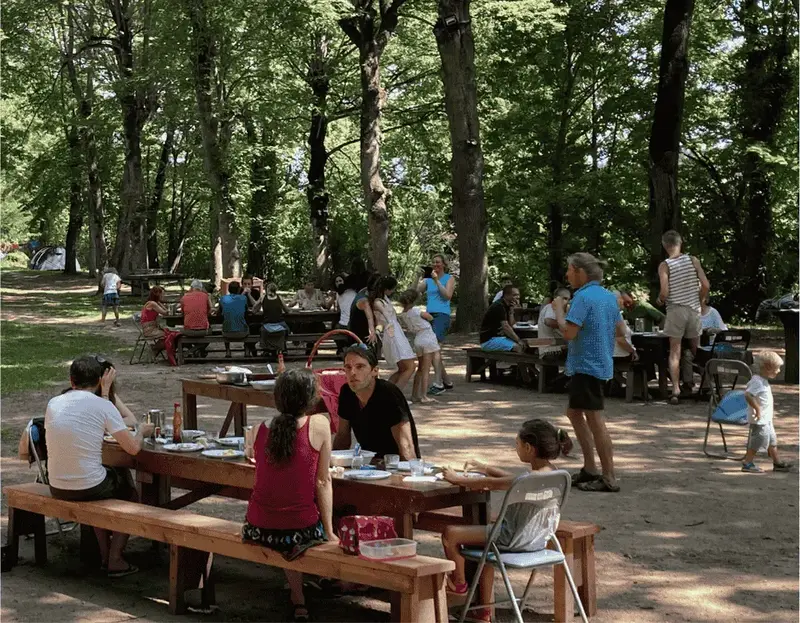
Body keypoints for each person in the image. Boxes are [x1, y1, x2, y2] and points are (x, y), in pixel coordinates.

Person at [440, 419, 573, 623]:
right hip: (538, 540)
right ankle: (482, 611)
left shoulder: (528, 480)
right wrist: (486, 467)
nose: (515, 448)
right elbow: (511, 479)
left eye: (517, 444)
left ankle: (458, 583)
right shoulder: (555, 475)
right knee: (484, 555)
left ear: (529, 448)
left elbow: (491, 484)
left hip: (510, 539)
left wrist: (455, 478)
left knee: (451, 533)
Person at [45, 356, 154, 577]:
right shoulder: (102, 405)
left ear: (71, 380)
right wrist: (142, 431)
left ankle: (105, 556)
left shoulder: (54, 403)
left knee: (103, 484)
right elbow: (133, 449)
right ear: (98, 380)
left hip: (56, 485)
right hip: (88, 487)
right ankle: (114, 559)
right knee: (130, 495)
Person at [242, 369, 335, 622]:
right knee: (302, 528)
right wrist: (329, 530)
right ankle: (325, 586)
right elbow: (323, 480)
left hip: (257, 526)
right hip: (299, 529)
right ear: (312, 398)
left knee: (285, 521)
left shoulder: (262, 428)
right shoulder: (319, 425)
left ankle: (298, 597)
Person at [552, 252, 626, 493]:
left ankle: (609, 477)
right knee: (574, 413)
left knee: (595, 420)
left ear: (580, 272)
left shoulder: (582, 298)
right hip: (601, 363)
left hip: (587, 366)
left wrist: (559, 310)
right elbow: (620, 330)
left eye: (569, 270)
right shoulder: (609, 297)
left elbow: (568, 334)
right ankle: (590, 468)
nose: (566, 274)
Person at [334, 345, 420, 459]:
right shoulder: (347, 392)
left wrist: (408, 473)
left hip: (395, 464)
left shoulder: (389, 394)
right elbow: (342, 437)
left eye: (360, 367)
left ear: (374, 371)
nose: (353, 372)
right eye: (348, 367)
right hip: (367, 464)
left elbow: (406, 446)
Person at [656, 230, 710, 405]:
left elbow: (665, 291)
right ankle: (707, 383)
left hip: (676, 310)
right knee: (696, 349)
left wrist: (660, 299)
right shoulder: (693, 261)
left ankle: (676, 390)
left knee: (675, 351)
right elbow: (706, 285)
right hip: (693, 310)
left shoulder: (665, 265)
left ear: (665, 245)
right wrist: (700, 299)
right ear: (681, 243)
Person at [741, 351, 792, 473]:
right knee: (759, 439)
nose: (779, 371)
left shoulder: (763, 380)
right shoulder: (757, 381)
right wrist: (757, 409)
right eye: (777, 368)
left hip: (766, 418)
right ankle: (748, 463)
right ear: (767, 367)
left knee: (772, 440)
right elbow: (748, 395)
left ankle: (777, 462)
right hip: (759, 419)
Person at [416, 254, 455, 393]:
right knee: (433, 348)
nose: (435, 264)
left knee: (434, 348)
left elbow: (447, 296)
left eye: (438, 262)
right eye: (434, 262)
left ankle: (438, 383)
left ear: (444, 264)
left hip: (442, 315)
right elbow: (414, 293)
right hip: (429, 315)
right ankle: (447, 381)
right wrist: (417, 278)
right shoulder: (428, 280)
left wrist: (437, 281)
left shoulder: (449, 279)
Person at [370, 276, 416, 390]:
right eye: (392, 289)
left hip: (396, 331)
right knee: (410, 367)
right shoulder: (378, 302)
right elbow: (383, 316)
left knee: (403, 368)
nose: (393, 291)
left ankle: (387, 393)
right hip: (392, 334)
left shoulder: (385, 299)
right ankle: (396, 395)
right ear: (386, 289)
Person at [398, 289, 443, 403]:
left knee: (420, 368)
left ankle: (415, 395)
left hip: (417, 339)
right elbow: (429, 317)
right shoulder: (416, 310)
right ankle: (424, 396)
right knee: (426, 369)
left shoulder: (404, 314)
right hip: (427, 337)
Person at [479, 284, 524, 353]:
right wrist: (518, 340)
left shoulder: (507, 306)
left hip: (499, 338)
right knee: (519, 347)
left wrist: (511, 311)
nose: (518, 297)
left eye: (518, 295)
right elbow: (506, 327)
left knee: (525, 345)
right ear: (506, 295)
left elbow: (511, 325)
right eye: (515, 295)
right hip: (489, 340)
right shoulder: (499, 306)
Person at [140, 286, 178, 366]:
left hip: (154, 327)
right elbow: (165, 312)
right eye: (162, 295)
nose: (163, 296)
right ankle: (155, 348)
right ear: (157, 294)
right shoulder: (152, 303)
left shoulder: (156, 302)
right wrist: (177, 307)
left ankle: (156, 348)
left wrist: (169, 306)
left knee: (171, 334)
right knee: (170, 336)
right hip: (149, 329)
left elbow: (166, 309)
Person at [176, 280, 213, 357]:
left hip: (188, 331)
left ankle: (194, 350)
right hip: (204, 331)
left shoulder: (184, 297)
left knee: (179, 333)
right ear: (201, 288)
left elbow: (182, 313)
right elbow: (210, 311)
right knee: (212, 332)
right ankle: (199, 350)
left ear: (191, 287)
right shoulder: (205, 296)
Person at [219, 281, 252, 358]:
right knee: (249, 326)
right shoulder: (243, 298)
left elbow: (219, 312)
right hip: (242, 332)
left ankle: (228, 350)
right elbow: (246, 310)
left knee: (226, 324)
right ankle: (247, 350)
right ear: (238, 289)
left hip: (227, 333)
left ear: (229, 289)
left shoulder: (223, 299)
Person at [347, 272, 380, 348]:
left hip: (361, 329)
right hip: (357, 333)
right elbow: (369, 318)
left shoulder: (364, 290)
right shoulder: (364, 300)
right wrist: (372, 333)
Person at [538, 287, 571, 359]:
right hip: (549, 350)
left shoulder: (561, 311)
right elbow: (548, 321)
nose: (567, 302)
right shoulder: (551, 307)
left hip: (557, 348)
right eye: (564, 298)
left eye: (569, 299)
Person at [259, 282, 291, 356]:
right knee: (288, 329)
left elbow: (254, 310)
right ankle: (283, 348)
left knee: (260, 329)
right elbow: (287, 310)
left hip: (267, 326)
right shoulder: (279, 298)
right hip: (280, 325)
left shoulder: (263, 298)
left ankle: (266, 349)